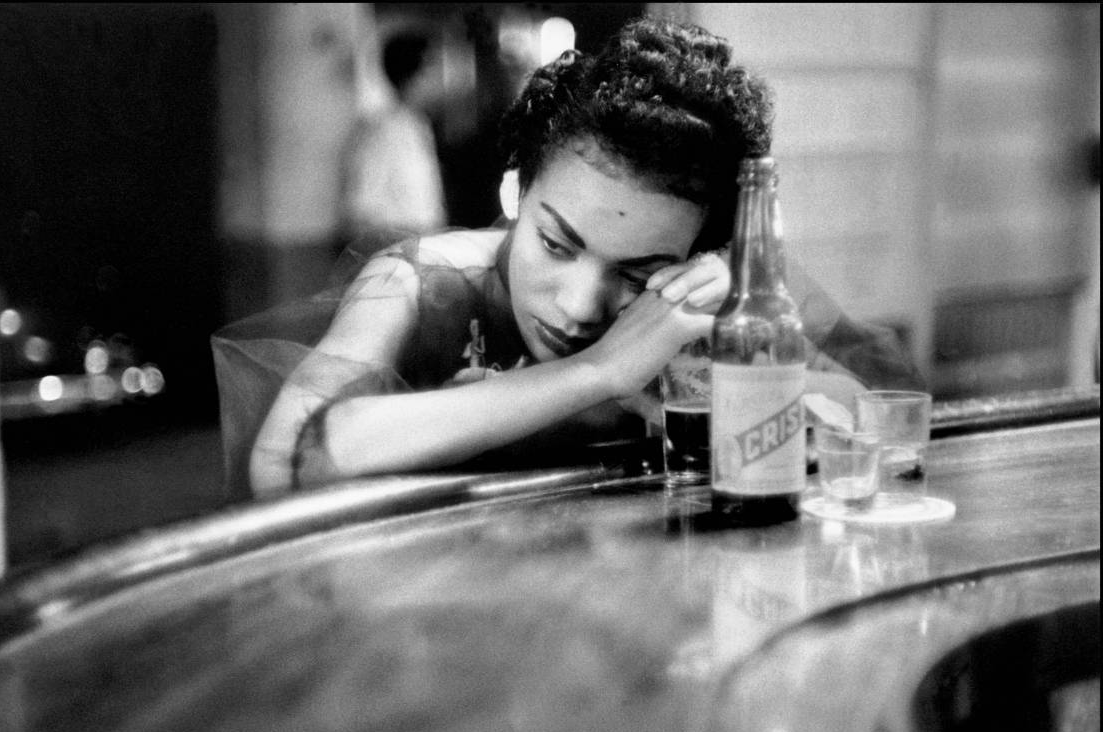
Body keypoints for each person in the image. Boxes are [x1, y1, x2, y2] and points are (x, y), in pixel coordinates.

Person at [213, 16, 922, 499]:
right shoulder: (422, 282)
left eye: (638, 274)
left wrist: (728, 364)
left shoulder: (687, 308)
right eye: (557, 244)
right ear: (518, 193)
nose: (581, 305)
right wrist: (600, 373)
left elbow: (874, 416)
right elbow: (290, 466)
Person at [341, 30, 448, 247]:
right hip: (397, 253)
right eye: (434, 68)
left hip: (424, 250)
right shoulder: (384, 131)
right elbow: (360, 210)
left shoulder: (419, 126)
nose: (441, 78)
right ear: (415, 75)